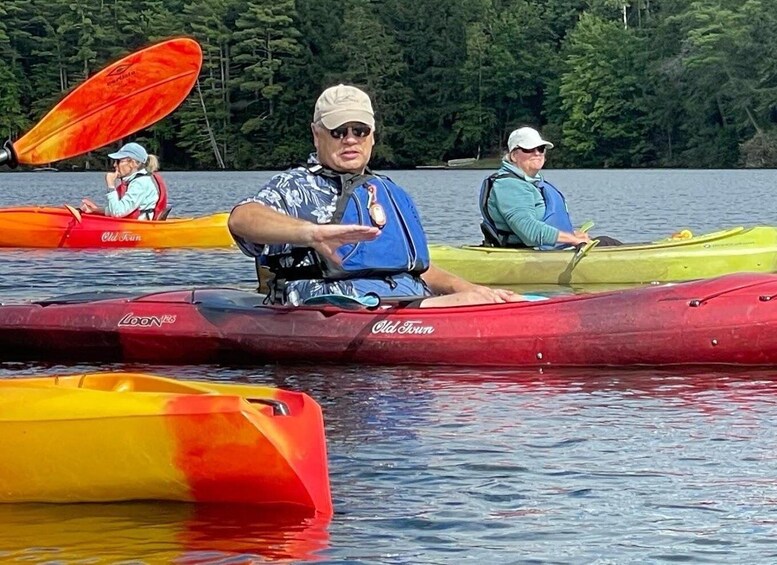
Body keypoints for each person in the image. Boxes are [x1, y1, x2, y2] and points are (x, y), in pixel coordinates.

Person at [228, 84, 525, 308]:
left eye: (360, 130)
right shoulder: (296, 186)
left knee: (483, 300)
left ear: (372, 134)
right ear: (316, 134)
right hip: (332, 307)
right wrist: (312, 233)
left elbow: (415, 268)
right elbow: (242, 218)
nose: (350, 140)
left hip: (405, 301)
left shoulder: (388, 191)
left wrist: (470, 289)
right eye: (338, 131)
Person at [479, 126, 621, 249]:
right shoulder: (509, 186)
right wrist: (573, 240)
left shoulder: (530, 182)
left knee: (606, 241)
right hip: (529, 256)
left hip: (546, 251)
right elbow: (529, 233)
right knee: (607, 243)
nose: (537, 153)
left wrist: (571, 234)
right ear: (514, 156)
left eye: (541, 149)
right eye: (529, 149)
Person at [80, 142, 169, 220]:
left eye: (118, 161)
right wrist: (95, 210)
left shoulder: (140, 183)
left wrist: (111, 185)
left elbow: (117, 213)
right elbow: (119, 209)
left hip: (138, 229)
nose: (115, 165)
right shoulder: (138, 180)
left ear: (133, 163)